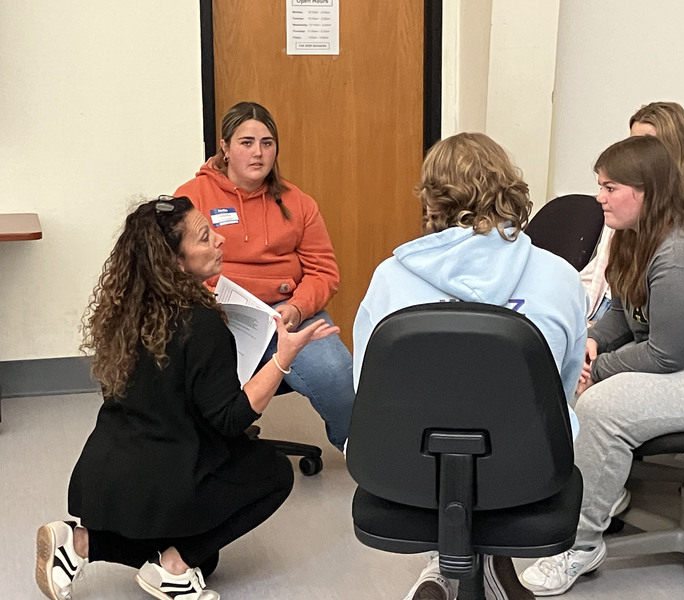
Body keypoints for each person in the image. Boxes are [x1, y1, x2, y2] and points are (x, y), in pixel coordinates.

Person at [35, 197, 340, 600]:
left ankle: (80, 543)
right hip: (161, 482)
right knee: (274, 473)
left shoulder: (127, 311)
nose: (219, 240)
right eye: (203, 238)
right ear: (176, 263)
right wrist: (282, 358)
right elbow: (230, 419)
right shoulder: (201, 322)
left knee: (205, 560)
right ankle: (172, 569)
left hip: (105, 478)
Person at [519, 135, 684, 596]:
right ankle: (602, 488)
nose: (599, 197)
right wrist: (593, 343)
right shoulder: (633, 235)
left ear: (647, 192)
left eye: (610, 187)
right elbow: (623, 309)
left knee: (602, 406)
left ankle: (580, 545)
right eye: (599, 185)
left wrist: (598, 371)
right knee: (569, 375)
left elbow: (666, 355)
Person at [352, 132, 588, 600]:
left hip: (405, 475)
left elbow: (366, 388)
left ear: (431, 199)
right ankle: (487, 566)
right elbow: (561, 391)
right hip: (528, 472)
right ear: (509, 190)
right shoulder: (559, 276)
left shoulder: (390, 280)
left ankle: (445, 566)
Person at [175, 101, 353, 451]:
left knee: (337, 374)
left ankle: (362, 453)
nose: (258, 153)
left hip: (287, 312)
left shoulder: (298, 202)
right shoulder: (192, 197)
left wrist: (298, 309)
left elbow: (323, 271)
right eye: (246, 142)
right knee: (189, 377)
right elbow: (175, 266)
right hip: (220, 314)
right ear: (225, 147)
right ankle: (205, 454)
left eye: (267, 143)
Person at [581, 101, 684, 322]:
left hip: (644, 317)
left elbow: (663, 344)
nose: (636, 153)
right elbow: (601, 271)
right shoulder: (628, 204)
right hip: (613, 307)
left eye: (646, 143)